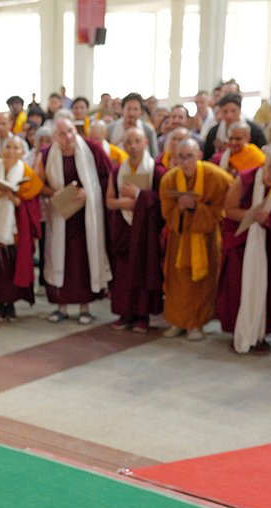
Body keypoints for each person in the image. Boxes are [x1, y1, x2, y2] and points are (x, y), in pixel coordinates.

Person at [218, 146, 271, 353]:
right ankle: (242, 330)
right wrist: (252, 216)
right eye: (270, 168)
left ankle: (260, 333)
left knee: (269, 290)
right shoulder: (245, 178)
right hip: (243, 242)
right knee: (239, 287)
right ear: (263, 163)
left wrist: (270, 221)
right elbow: (228, 210)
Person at [159, 138, 233, 340]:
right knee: (178, 281)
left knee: (201, 282)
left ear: (199, 156)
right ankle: (178, 322)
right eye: (180, 157)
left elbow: (225, 207)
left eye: (189, 156)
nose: (184, 162)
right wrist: (180, 208)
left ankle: (196, 325)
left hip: (205, 239)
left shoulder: (216, 177)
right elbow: (166, 211)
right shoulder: (169, 180)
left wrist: (196, 207)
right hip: (179, 238)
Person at [39, 116, 111, 324]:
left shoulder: (92, 149)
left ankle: (84, 307)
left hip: (86, 217)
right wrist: (58, 192)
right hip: (61, 215)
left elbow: (107, 178)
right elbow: (38, 184)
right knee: (60, 257)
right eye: (62, 133)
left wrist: (89, 192)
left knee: (82, 260)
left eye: (71, 131)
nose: (69, 136)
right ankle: (61, 307)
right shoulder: (46, 155)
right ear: (54, 137)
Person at [105, 126, 167, 333]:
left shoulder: (156, 170)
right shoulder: (117, 170)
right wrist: (125, 203)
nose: (132, 146)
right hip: (124, 228)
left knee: (143, 270)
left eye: (137, 141)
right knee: (123, 273)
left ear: (146, 143)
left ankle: (142, 316)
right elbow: (109, 202)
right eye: (128, 142)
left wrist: (140, 196)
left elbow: (163, 202)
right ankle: (125, 314)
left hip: (146, 231)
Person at [0, 136, 44, 322]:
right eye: (8, 147)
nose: (11, 151)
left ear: (23, 152)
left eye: (16, 148)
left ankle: (11, 305)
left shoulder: (28, 174)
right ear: (1, 149)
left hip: (16, 228)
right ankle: (0, 304)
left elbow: (31, 204)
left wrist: (14, 198)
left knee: (13, 265)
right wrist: (1, 194)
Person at [203, 93, 267, 158]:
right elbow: (207, 157)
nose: (229, 115)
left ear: (239, 111)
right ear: (221, 112)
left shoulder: (254, 131)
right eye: (225, 111)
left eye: (233, 111)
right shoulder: (213, 132)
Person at [109, 93, 158, 157]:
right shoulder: (110, 129)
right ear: (122, 109)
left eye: (135, 109)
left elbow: (154, 155)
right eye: (128, 109)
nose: (131, 113)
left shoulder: (148, 130)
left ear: (141, 111)